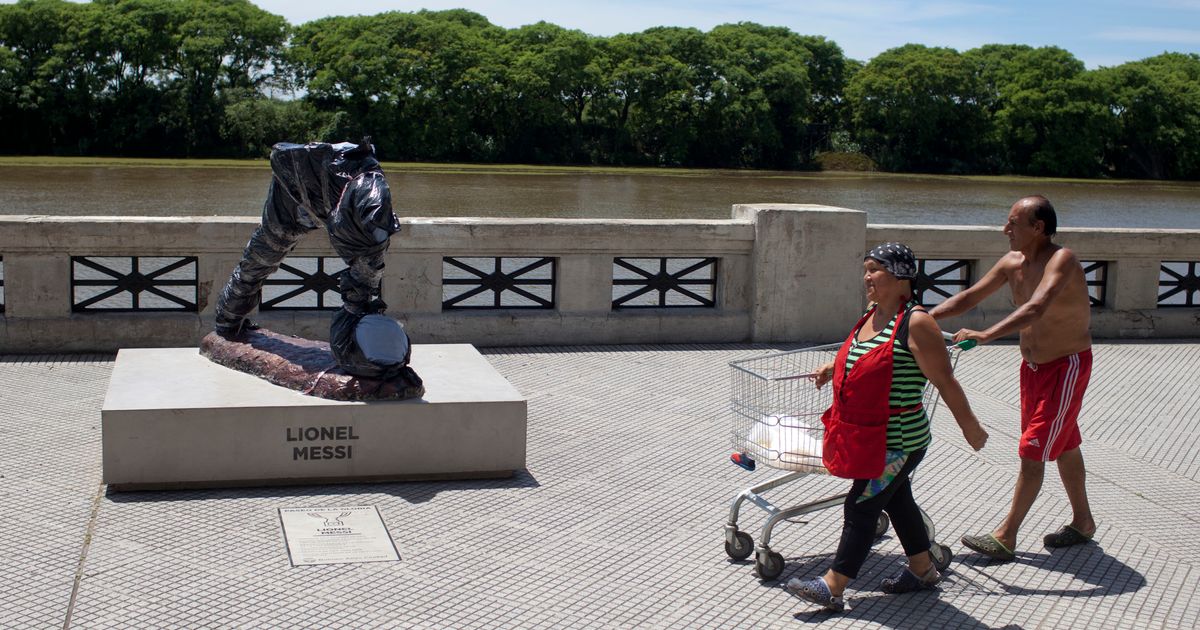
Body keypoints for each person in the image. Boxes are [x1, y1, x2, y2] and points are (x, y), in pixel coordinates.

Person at [786, 242, 988, 612]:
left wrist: (970, 428)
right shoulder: (872, 315)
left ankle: (833, 585)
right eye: (866, 269)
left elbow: (945, 380)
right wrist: (833, 368)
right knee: (897, 500)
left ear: (901, 278)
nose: (867, 277)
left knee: (862, 507)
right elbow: (865, 354)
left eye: (875, 270)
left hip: (897, 441)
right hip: (866, 435)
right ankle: (923, 570)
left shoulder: (917, 323)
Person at [929, 195, 1096, 562]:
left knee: (1032, 450)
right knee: (1064, 442)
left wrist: (986, 335)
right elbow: (969, 297)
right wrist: (922, 319)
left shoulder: (1062, 260)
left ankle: (1006, 536)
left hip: (1065, 367)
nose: (1005, 229)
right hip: (1032, 370)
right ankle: (1084, 523)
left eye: (1012, 223)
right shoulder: (1012, 262)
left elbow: (1037, 307)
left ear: (1037, 228)